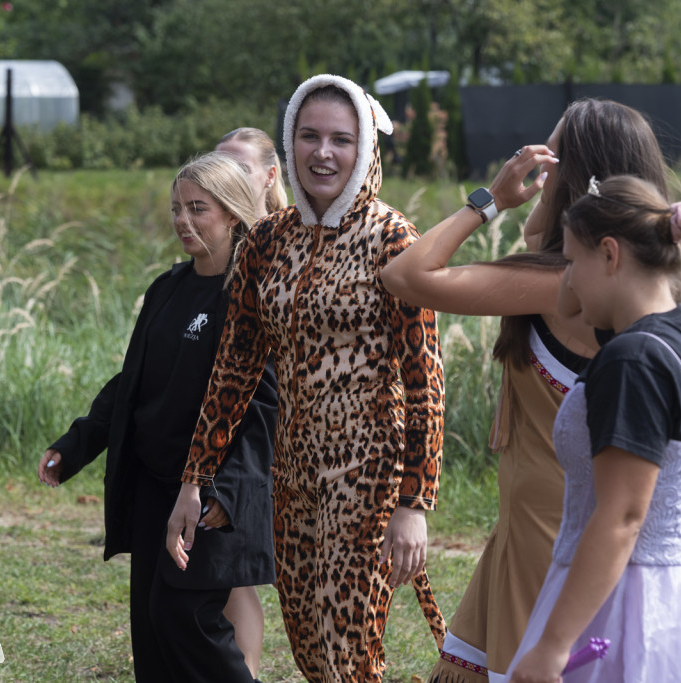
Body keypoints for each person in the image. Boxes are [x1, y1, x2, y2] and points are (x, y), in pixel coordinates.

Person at [165, 74, 447, 682]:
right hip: (290, 478)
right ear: (289, 145)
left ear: (366, 148)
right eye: (309, 136)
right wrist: (195, 479)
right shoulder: (266, 240)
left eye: (341, 139)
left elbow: (425, 381)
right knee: (312, 653)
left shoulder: (392, 238)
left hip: (368, 475)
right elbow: (233, 373)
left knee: (348, 654)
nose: (323, 152)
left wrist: (414, 503)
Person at [381, 98, 672, 682]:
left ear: (580, 174)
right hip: (531, 524)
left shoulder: (558, 283)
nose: (537, 165)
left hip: (553, 536)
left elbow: (406, 276)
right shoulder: (624, 277)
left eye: (551, 155)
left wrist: (487, 201)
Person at [37, 151, 277, 683]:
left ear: (233, 214)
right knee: (151, 629)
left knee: (184, 617)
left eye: (199, 209)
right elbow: (132, 385)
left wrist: (226, 491)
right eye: (176, 209)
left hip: (208, 495)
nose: (183, 222)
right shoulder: (166, 290)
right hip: (152, 487)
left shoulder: (252, 297)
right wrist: (76, 444)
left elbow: (265, 407)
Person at [506, 174, 681, 682]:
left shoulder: (630, 362)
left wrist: (553, 645)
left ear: (611, 255)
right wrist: (585, 253)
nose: (566, 281)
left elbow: (621, 517)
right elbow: (574, 304)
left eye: (572, 261)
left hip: (628, 607)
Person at [212, 126, 288, 677]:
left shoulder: (277, 246)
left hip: (262, 430)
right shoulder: (216, 246)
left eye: (239, 168)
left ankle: (247, 673)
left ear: (269, 177)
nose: (226, 180)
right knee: (219, 573)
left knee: (236, 570)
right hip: (211, 426)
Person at [217, 126, 289, 217]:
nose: (227, 178)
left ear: (270, 176)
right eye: (220, 169)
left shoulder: (288, 229)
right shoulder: (198, 228)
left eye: (242, 170)